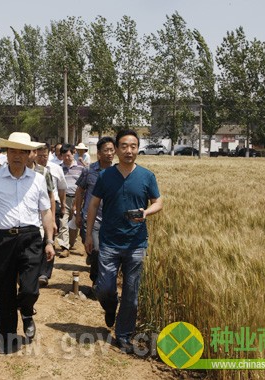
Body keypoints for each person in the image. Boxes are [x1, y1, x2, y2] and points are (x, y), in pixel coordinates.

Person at [0, 132, 55, 354]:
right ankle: (7, 338)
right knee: (4, 291)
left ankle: (27, 311)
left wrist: (49, 240)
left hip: (31, 238)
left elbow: (46, 212)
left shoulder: (38, 180)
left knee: (30, 288)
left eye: (22, 151)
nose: (17, 156)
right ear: (6, 153)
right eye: (12, 151)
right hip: (4, 240)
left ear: (30, 154)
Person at [84, 129, 163, 354]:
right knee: (104, 288)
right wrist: (89, 234)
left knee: (131, 293)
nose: (129, 151)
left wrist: (146, 212)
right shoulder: (105, 176)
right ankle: (110, 306)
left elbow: (159, 202)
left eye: (133, 146)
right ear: (117, 149)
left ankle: (124, 334)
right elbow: (93, 205)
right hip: (109, 242)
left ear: (138, 149)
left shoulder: (147, 176)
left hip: (136, 243)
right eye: (124, 146)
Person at [75, 137, 115, 286]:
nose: (110, 153)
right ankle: (96, 282)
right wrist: (78, 213)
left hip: (111, 220)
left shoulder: (117, 172)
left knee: (107, 253)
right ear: (99, 153)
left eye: (112, 150)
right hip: (92, 219)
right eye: (106, 150)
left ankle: (102, 279)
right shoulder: (88, 171)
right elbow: (80, 191)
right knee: (97, 250)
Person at [36, 143, 67, 286]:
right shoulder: (32, 170)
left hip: (51, 206)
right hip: (35, 209)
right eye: (40, 155)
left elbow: (60, 190)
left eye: (45, 156)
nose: (43, 158)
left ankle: (44, 273)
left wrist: (62, 208)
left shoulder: (56, 169)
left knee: (49, 240)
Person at [58, 144, 83, 258]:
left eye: (68, 155)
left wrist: (78, 202)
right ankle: (65, 247)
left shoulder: (81, 168)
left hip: (77, 199)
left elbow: (83, 187)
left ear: (74, 153)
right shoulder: (58, 169)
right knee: (63, 222)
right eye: (64, 156)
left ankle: (71, 243)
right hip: (63, 198)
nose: (67, 158)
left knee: (74, 223)